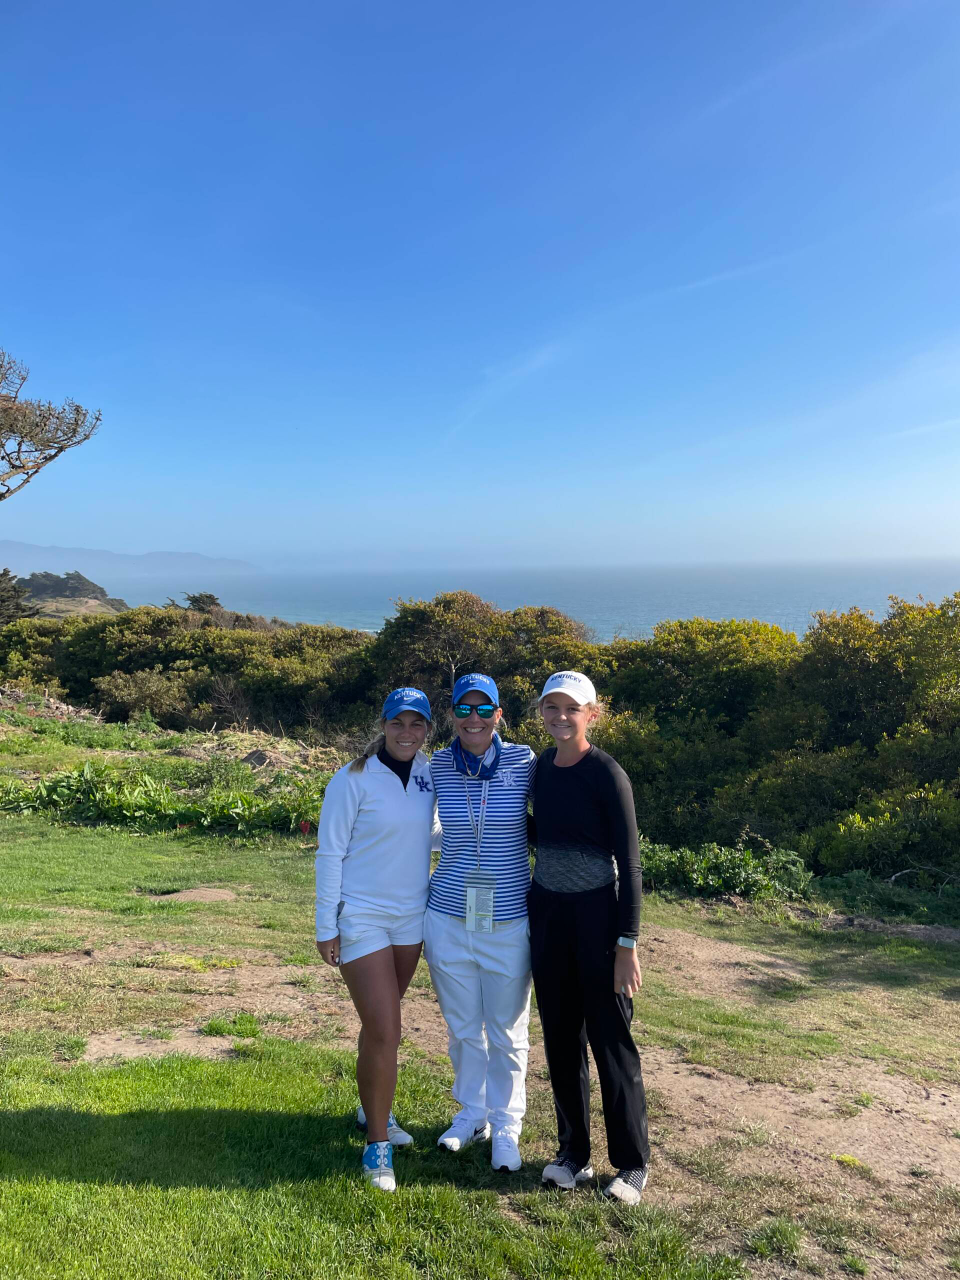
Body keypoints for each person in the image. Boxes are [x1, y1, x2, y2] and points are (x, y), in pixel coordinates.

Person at [529, 670, 650, 1204]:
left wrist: (627, 944)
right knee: (560, 1039)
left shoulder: (607, 774)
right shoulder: (540, 769)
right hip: (548, 914)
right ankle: (572, 1154)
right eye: (550, 708)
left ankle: (631, 1165)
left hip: (599, 919)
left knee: (611, 1042)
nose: (560, 717)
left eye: (570, 708)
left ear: (591, 714)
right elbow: (539, 833)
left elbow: (631, 864)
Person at [315, 687, 439, 1192]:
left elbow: (429, 831)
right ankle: (377, 1146)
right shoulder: (353, 778)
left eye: (416, 723)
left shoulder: (433, 772)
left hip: (412, 919)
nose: (406, 732)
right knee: (388, 1028)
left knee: (377, 1026)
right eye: (397, 722)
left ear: (428, 727)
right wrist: (327, 925)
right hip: (362, 916)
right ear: (383, 724)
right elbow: (330, 853)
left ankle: (373, 1113)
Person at [423, 673, 537, 1173]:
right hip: (448, 916)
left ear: (499, 714)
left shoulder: (524, 761)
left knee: (508, 1031)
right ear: (452, 714)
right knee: (464, 1028)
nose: (473, 719)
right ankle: (471, 1114)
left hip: (509, 918)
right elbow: (409, 821)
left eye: (482, 708)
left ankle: (506, 1128)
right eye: (463, 709)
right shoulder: (438, 765)